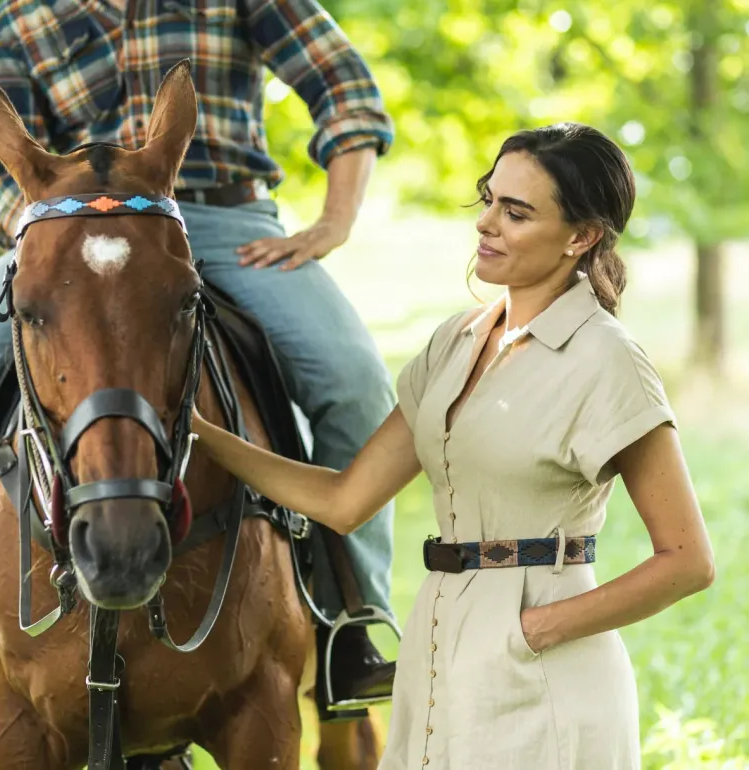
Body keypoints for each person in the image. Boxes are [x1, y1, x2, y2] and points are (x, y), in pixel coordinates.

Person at [189, 123, 716, 768]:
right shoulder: (455, 342)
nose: (486, 224)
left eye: (515, 212)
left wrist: (533, 630)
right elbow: (345, 499)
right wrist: (197, 434)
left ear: (581, 237)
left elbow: (688, 560)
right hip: (435, 648)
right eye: (488, 200)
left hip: (542, 669)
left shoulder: (608, 359)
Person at [0, 0, 397, 699]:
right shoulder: (24, 18)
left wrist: (335, 220)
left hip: (223, 219)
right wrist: (51, 229)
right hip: (68, 232)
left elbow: (344, 89)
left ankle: (349, 621)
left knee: (352, 381)